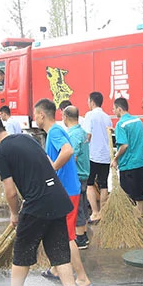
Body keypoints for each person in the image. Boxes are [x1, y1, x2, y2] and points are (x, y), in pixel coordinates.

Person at [0, 113, 76, 286]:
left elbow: (10, 192)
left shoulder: (0, 153)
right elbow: (48, 163)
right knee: (59, 253)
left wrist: (14, 214)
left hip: (37, 205)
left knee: (21, 254)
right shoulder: (27, 138)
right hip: (57, 198)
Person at [34, 99, 92, 286]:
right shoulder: (55, 131)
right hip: (65, 190)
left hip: (67, 191)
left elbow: (68, 151)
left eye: (35, 114)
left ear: (42, 115)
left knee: (67, 237)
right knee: (59, 232)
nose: (34, 118)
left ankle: (82, 278)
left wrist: (52, 168)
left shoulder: (55, 132)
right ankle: (56, 269)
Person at [112, 97, 143, 216]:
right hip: (141, 162)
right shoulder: (138, 121)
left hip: (128, 165)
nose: (113, 111)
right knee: (139, 195)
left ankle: (130, 221)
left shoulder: (120, 124)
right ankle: (140, 215)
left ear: (119, 109)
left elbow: (124, 145)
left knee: (128, 197)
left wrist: (115, 158)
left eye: (114, 109)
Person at [64, 105, 91, 250]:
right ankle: (84, 234)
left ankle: (80, 238)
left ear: (65, 117)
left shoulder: (73, 135)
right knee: (84, 206)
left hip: (77, 175)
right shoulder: (82, 132)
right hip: (84, 173)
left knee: (78, 207)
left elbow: (72, 157)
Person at [84, 91, 111, 223]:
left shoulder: (90, 115)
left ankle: (95, 213)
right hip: (106, 156)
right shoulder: (107, 117)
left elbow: (87, 135)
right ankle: (103, 212)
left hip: (93, 155)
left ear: (92, 102)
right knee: (104, 184)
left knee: (89, 184)